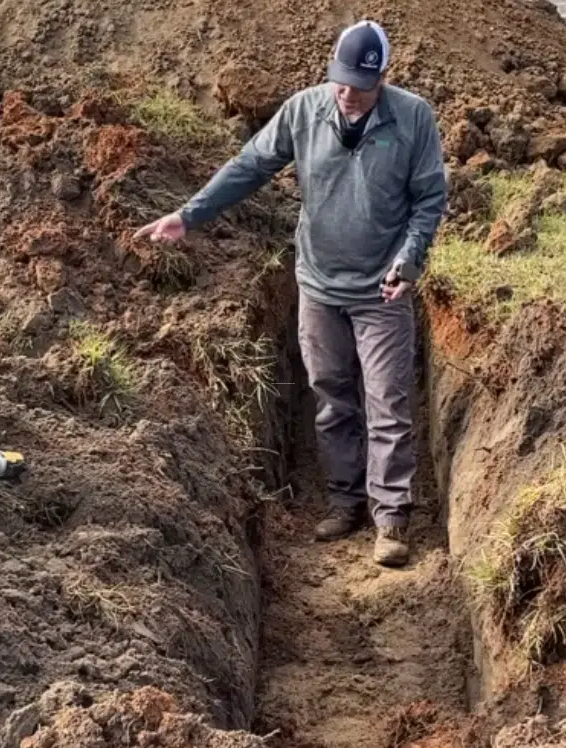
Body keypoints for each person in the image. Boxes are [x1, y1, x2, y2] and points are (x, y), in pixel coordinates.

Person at [134, 19, 448, 568]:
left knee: (389, 402)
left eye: (358, 84)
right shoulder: (305, 110)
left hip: (383, 289)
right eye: (340, 80)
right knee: (330, 397)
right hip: (319, 283)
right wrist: (190, 215)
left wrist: (409, 261)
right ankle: (344, 500)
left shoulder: (413, 118)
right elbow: (250, 165)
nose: (346, 93)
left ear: (382, 81)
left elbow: (428, 201)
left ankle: (392, 515)